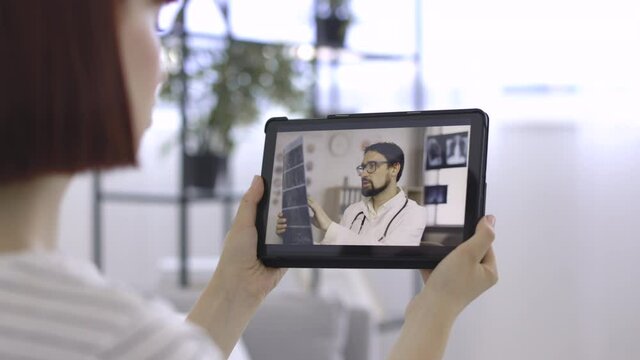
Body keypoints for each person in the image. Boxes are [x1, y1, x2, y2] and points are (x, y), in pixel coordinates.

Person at [0, 1, 498, 359]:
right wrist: (436, 308)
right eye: (152, 18)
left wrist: (234, 290)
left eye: (371, 165)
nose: (164, 61)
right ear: (65, 43)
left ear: (395, 170)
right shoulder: (123, 337)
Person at [277, 142, 427, 246]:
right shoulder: (353, 211)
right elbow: (329, 252)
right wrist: (294, 237)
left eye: (372, 166)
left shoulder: (415, 214)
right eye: (362, 168)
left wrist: (329, 226)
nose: (363, 174)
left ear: (394, 169)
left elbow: (387, 256)